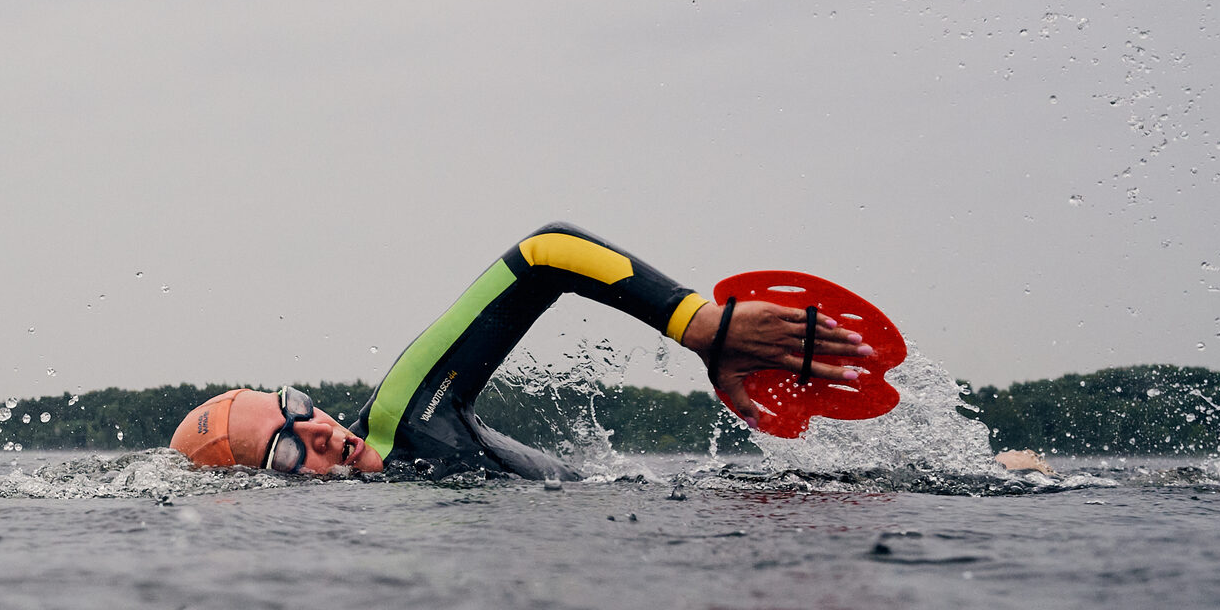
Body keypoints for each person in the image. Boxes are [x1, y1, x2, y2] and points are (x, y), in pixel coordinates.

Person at [170, 223, 877, 479]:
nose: (319, 431)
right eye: (287, 452)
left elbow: (543, 254)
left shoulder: (405, 410)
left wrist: (700, 324)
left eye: (295, 407)